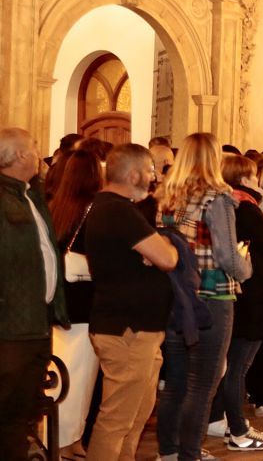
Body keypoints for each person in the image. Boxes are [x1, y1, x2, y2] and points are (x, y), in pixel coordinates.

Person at [157, 133, 252, 461]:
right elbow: (226, 255)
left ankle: (168, 451)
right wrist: (246, 268)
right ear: (214, 159)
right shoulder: (218, 197)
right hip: (212, 296)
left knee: (176, 380)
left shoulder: (167, 196)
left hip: (175, 295)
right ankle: (190, 454)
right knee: (203, 382)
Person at [84, 144, 178, 461]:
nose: (153, 178)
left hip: (137, 328)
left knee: (136, 415)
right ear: (134, 173)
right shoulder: (117, 209)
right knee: (117, 420)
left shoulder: (116, 207)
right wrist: (165, 243)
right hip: (127, 329)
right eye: (151, 170)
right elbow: (166, 258)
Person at [207, 155, 263, 451]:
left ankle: (217, 418)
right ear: (243, 178)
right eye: (253, 177)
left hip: (239, 293)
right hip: (253, 294)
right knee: (239, 366)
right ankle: (238, 429)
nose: (257, 183)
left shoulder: (228, 204)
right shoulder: (245, 208)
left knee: (229, 363)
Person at [0, 127, 68, 460]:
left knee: (22, 413)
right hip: (10, 327)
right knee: (7, 412)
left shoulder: (30, 194)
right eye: (34, 147)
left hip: (36, 322)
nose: (39, 154)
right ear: (19, 156)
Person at [48, 149, 103, 459]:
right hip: (84, 303)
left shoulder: (56, 207)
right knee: (80, 378)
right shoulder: (92, 210)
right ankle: (69, 442)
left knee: (60, 372)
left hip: (60, 301)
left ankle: (53, 435)